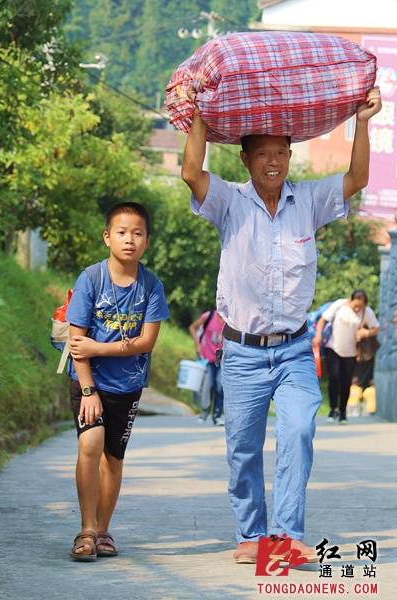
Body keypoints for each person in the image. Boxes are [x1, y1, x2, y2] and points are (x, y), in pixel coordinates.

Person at [181, 84, 381, 564]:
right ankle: (250, 536)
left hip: (292, 350)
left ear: (290, 157)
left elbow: (356, 177)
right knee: (243, 449)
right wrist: (202, 115)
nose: (274, 162)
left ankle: (285, 534)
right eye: (264, 154)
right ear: (246, 159)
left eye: (282, 154)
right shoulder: (229, 201)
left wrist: (363, 121)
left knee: (297, 431)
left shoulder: (309, 200)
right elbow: (191, 171)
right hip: (243, 353)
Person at [66, 201, 169, 561]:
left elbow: (146, 342)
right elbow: (77, 341)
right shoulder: (91, 279)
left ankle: (104, 530)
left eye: (137, 233)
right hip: (88, 381)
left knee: (113, 457)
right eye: (122, 233)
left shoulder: (151, 286)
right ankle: (86, 530)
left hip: (127, 386)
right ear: (107, 237)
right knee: (90, 446)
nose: (129, 240)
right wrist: (89, 388)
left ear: (147, 241)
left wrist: (101, 346)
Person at [314, 290, 379, 424]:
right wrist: (318, 335)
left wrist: (366, 333)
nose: (357, 309)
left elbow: (376, 328)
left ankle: (343, 412)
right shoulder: (340, 305)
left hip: (351, 353)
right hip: (333, 348)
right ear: (350, 300)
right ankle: (333, 410)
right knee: (334, 378)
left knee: (346, 382)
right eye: (355, 305)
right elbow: (322, 320)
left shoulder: (367, 312)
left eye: (360, 307)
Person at [189, 309, 224, 425]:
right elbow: (192, 328)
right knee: (208, 386)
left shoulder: (232, 319)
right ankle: (204, 412)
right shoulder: (208, 316)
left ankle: (217, 415)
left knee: (220, 386)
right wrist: (197, 344)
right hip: (207, 357)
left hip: (223, 359)